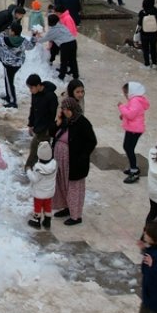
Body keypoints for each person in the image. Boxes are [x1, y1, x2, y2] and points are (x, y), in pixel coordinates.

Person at [53, 80, 96, 226]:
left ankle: (76, 215)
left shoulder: (82, 122)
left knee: (74, 188)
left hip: (75, 162)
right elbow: (53, 133)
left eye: (66, 109)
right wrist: (58, 122)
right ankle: (66, 207)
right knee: (63, 185)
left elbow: (91, 141)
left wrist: (82, 156)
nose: (64, 112)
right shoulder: (65, 121)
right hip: (62, 160)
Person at [24, 74, 58, 169]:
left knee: (36, 149)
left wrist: (49, 129)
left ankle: (28, 169)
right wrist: (31, 124)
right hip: (38, 126)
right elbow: (33, 109)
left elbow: (52, 114)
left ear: (38, 85)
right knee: (40, 151)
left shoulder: (51, 96)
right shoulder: (35, 95)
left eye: (31, 88)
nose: (30, 90)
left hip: (45, 129)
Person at [119, 82, 150, 183]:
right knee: (128, 147)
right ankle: (133, 167)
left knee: (128, 148)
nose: (125, 95)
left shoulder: (135, 101)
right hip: (133, 128)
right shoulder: (135, 100)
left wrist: (121, 107)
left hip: (134, 129)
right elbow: (132, 112)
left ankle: (134, 171)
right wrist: (123, 115)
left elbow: (131, 114)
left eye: (125, 93)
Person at [0, 23, 28, 108]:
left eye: (10, 30)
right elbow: (30, 46)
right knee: (9, 80)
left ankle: (12, 101)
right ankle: (9, 96)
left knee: (9, 82)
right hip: (18, 64)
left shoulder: (5, 40)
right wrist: (35, 37)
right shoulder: (23, 41)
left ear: (13, 32)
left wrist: (3, 32)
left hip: (8, 64)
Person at [37, 14, 79, 81]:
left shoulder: (53, 30)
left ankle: (61, 76)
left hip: (66, 45)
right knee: (73, 60)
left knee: (64, 61)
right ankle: (76, 75)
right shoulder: (62, 26)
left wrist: (36, 39)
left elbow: (44, 39)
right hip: (73, 42)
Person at [25, 142, 57, 230]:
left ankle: (36, 221)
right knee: (48, 206)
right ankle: (47, 221)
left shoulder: (38, 167)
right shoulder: (54, 164)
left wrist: (28, 171)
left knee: (38, 207)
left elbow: (34, 179)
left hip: (39, 192)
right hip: (49, 191)